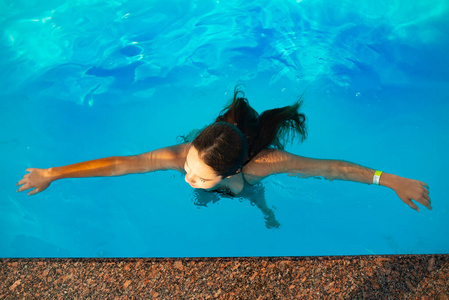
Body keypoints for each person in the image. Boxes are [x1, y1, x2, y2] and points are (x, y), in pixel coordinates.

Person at [16, 86, 432, 212]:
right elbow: (120, 165)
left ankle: (261, 208)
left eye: (198, 175)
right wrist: (55, 172)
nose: (186, 176)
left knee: (252, 196)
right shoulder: (183, 156)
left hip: (244, 181)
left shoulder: (266, 163)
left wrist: (390, 180)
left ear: (229, 166)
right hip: (226, 168)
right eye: (190, 166)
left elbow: (333, 169)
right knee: (204, 193)